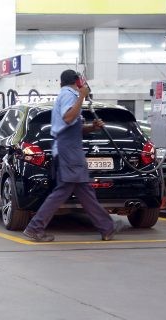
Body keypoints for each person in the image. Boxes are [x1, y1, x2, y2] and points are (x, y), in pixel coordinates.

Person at [22, 69, 116, 242]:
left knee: (85, 191)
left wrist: (92, 127)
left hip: (70, 149)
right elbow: (67, 118)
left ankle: (107, 227)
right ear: (78, 81)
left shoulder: (68, 95)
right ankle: (34, 227)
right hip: (69, 151)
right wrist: (81, 96)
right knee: (63, 191)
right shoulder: (69, 95)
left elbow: (73, 124)